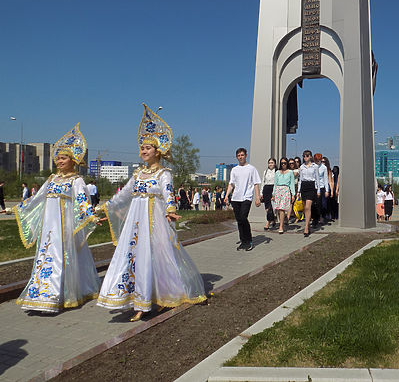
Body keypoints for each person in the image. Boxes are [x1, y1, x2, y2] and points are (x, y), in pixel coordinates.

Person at [97, 105, 206, 322]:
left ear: (158, 151)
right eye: (142, 148)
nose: (143, 151)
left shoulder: (164, 174)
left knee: (155, 258)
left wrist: (171, 210)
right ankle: (137, 298)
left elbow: (168, 194)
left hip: (154, 223)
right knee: (134, 257)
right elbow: (123, 195)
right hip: (135, 225)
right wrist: (104, 207)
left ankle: (155, 298)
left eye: (147, 148)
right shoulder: (137, 174)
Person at [8, 123, 99, 312]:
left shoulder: (77, 181)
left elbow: (83, 202)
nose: (59, 161)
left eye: (63, 158)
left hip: (64, 227)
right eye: (57, 158)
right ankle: (39, 294)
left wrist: (91, 216)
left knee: (60, 257)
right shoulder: (51, 179)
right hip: (48, 228)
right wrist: (13, 210)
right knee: (45, 256)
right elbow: (36, 199)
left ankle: (56, 296)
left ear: (72, 160)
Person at [224, 147, 261, 251]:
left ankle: (248, 240)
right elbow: (231, 184)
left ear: (246, 156)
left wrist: (257, 197)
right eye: (239, 155)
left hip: (247, 197)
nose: (240, 157)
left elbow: (256, 183)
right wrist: (227, 196)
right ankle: (243, 241)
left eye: (242, 155)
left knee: (243, 218)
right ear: (237, 157)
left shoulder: (251, 169)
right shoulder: (234, 170)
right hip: (236, 198)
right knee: (239, 220)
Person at [298, 150, 320, 237]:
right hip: (304, 186)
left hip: (311, 186)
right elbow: (300, 179)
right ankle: (308, 224)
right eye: (304, 156)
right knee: (305, 208)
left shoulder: (315, 166)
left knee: (308, 206)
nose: (305, 157)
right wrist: (298, 191)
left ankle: (306, 227)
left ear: (310, 156)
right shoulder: (302, 167)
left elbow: (317, 178)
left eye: (307, 155)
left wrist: (318, 190)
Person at [272, 157, 295, 234]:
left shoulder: (290, 172)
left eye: (285, 163)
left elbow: (292, 184)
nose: (283, 165)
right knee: (278, 209)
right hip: (278, 190)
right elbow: (275, 183)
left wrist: (293, 194)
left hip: (286, 190)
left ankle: (281, 226)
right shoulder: (277, 172)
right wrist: (273, 194)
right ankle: (283, 219)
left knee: (282, 208)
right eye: (282, 163)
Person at [260, 158, 277, 230]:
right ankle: (273, 220)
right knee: (267, 208)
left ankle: (268, 222)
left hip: (273, 188)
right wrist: (261, 192)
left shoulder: (277, 171)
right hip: (266, 189)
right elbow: (263, 182)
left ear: (275, 164)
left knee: (272, 207)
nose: (270, 164)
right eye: (269, 163)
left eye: (272, 163)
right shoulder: (265, 171)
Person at [313, 153, 330, 224]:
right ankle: (316, 218)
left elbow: (325, 179)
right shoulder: (313, 166)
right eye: (316, 160)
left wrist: (327, 190)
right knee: (316, 204)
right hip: (315, 187)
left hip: (322, 187)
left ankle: (322, 216)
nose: (318, 161)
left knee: (323, 204)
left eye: (319, 160)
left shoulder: (324, 167)